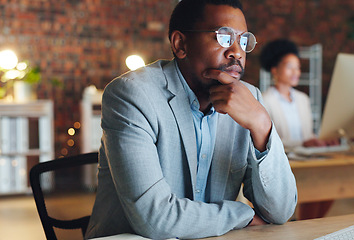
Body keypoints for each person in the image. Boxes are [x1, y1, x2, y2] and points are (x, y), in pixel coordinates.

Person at [85, 0, 297, 239]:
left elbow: (281, 211)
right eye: (224, 38)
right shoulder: (132, 95)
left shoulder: (249, 100)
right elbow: (155, 219)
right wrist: (243, 214)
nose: (237, 52)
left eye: (243, 40)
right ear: (180, 44)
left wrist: (261, 124)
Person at [260, 39, 333, 220]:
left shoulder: (303, 99)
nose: (296, 72)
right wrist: (303, 142)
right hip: (286, 165)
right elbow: (269, 141)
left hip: (309, 160)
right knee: (316, 186)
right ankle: (307, 226)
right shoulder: (265, 100)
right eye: (290, 67)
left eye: (298, 67)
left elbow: (308, 135)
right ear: (275, 70)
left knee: (331, 183)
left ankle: (310, 226)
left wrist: (321, 140)